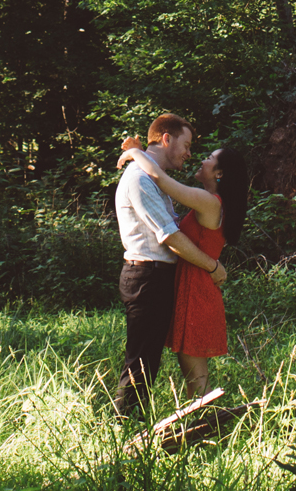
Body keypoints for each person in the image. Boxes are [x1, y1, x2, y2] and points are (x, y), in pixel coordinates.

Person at [112, 114, 228, 414]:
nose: (189, 153)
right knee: (140, 361)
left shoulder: (155, 179)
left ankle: (139, 427)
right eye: (186, 144)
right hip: (146, 276)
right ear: (166, 139)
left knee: (148, 360)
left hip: (159, 277)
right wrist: (213, 267)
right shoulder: (140, 178)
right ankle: (126, 428)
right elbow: (171, 237)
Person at [119, 139, 250, 398]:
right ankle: (200, 428)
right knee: (193, 377)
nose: (202, 159)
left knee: (196, 379)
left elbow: (160, 179)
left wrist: (135, 153)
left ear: (219, 173)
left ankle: (212, 427)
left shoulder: (209, 202)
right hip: (193, 286)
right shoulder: (210, 202)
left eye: (210, 158)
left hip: (197, 290)